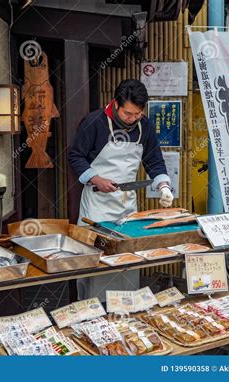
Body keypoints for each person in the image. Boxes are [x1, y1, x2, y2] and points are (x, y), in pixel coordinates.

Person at [68, 79, 172, 300]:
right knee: (97, 262)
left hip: (126, 209)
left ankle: (127, 309)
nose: (132, 119)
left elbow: (154, 161)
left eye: (137, 114)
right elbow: (75, 156)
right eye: (128, 114)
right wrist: (95, 179)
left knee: (126, 260)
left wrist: (163, 186)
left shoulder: (145, 127)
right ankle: (94, 312)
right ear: (116, 104)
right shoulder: (94, 122)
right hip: (95, 208)